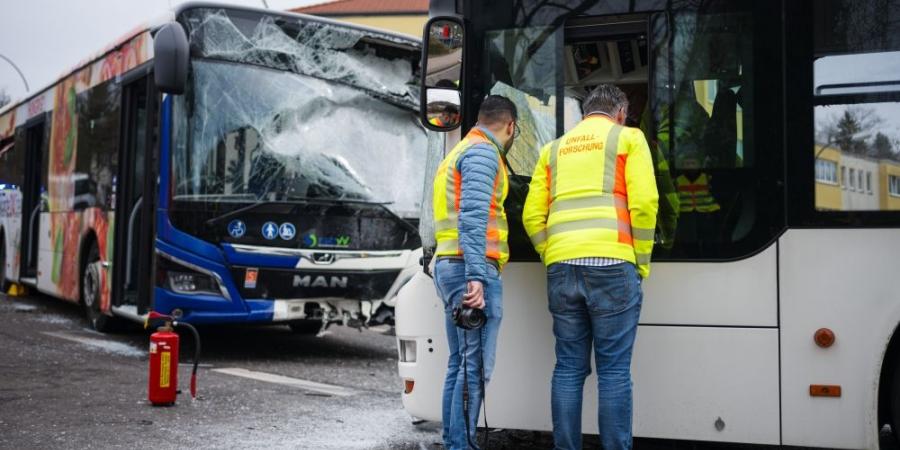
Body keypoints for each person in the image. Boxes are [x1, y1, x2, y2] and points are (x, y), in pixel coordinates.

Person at [523, 84, 658, 450]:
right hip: (613, 264)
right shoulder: (628, 139)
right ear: (620, 113)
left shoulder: (553, 150)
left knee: (568, 368)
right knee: (613, 372)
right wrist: (640, 260)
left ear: (586, 113)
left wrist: (550, 252)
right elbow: (645, 203)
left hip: (562, 267)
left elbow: (531, 215)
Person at [431, 95, 517, 450]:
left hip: (451, 263)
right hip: (469, 268)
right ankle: (460, 445)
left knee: (461, 363)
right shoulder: (483, 154)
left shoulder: (460, 149)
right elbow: (473, 216)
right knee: (475, 367)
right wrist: (477, 277)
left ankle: (455, 442)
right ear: (510, 126)